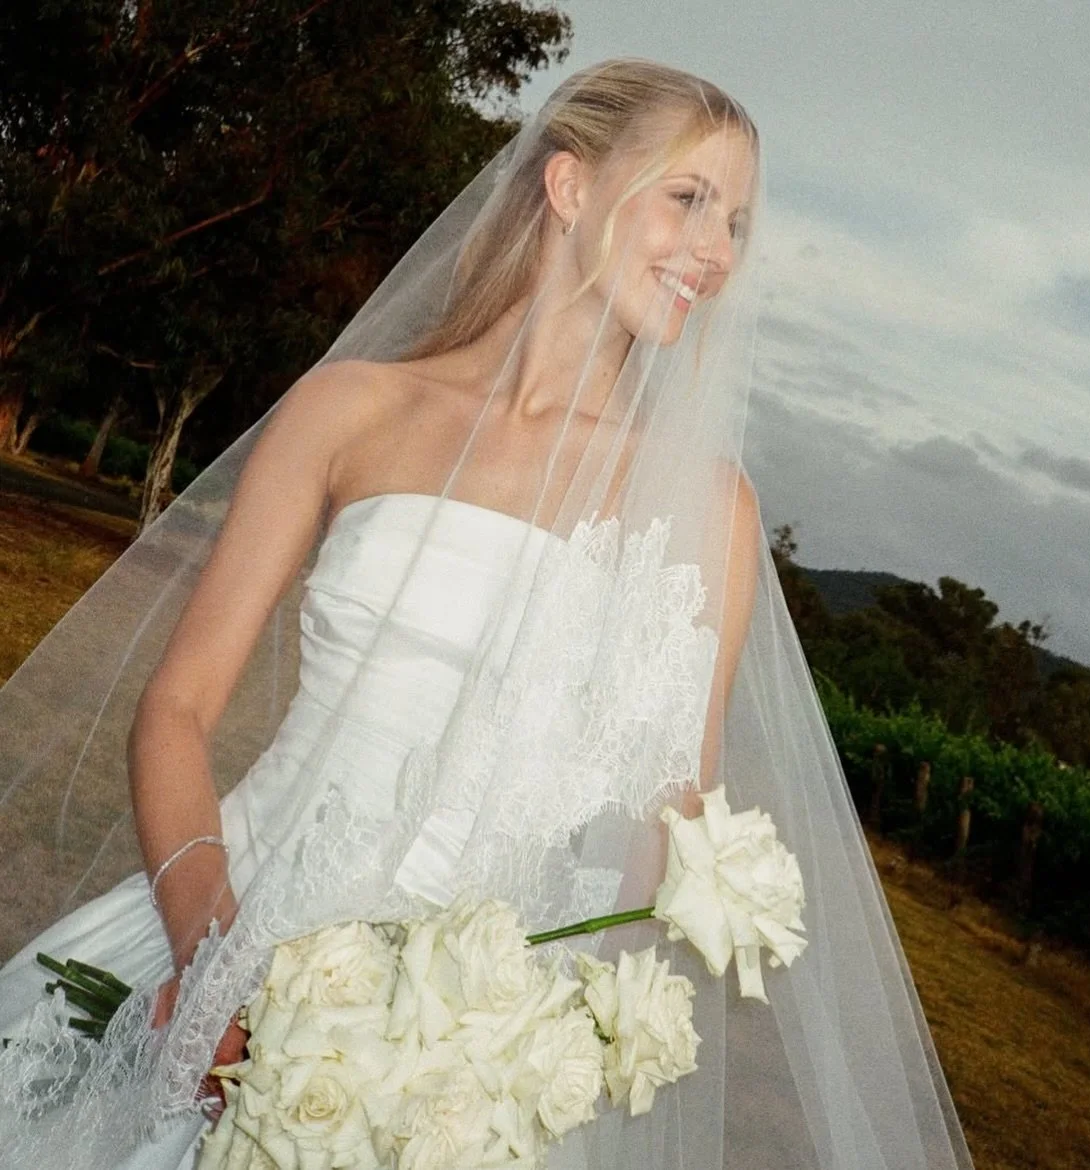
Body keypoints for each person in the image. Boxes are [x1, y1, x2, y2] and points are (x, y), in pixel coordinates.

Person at [0, 59, 975, 1170]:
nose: (718, 251)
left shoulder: (708, 510)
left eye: (740, 222)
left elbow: (673, 837)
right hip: (225, 924)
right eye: (689, 199)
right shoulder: (348, 409)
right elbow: (175, 709)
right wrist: (216, 967)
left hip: (465, 1069)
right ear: (570, 188)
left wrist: (500, 1045)